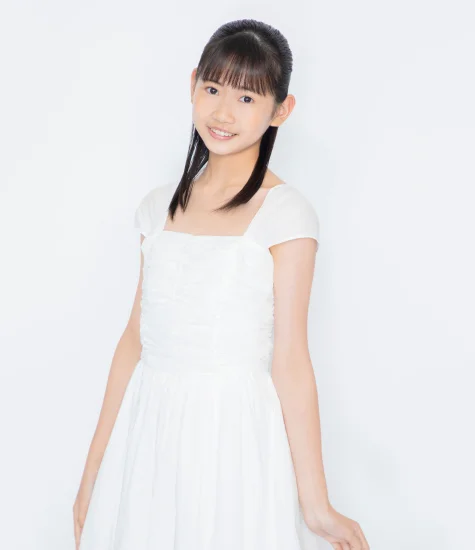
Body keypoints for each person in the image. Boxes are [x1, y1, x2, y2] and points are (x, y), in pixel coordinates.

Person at [73, 18, 370, 550]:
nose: (223, 112)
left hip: (233, 440)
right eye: (212, 89)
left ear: (281, 110)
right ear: (193, 84)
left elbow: (291, 361)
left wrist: (315, 503)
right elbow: (134, 340)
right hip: (147, 434)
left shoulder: (286, 214)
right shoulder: (157, 208)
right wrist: (94, 471)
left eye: (247, 97)